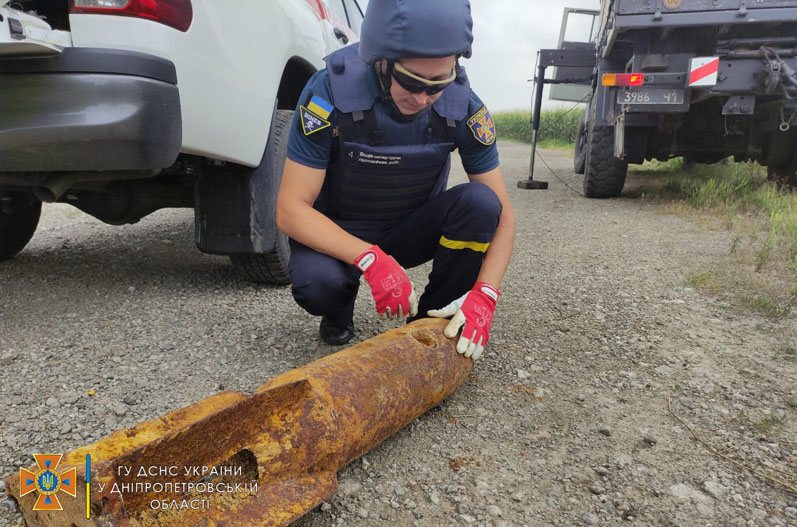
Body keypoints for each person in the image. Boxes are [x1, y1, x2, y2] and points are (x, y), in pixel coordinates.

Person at [276, 0, 515, 361]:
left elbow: (504, 217)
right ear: (381, 59)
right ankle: (341, 302)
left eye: (437, 84)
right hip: (339, 228)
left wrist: (486, 293)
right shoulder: (328, 92)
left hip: (406, 229)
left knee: (481, 204)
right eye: (411, 81)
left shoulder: (465, 107)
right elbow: (290, 209)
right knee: (319, 286)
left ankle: (432, 321)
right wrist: (370, 260)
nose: (422, 98)